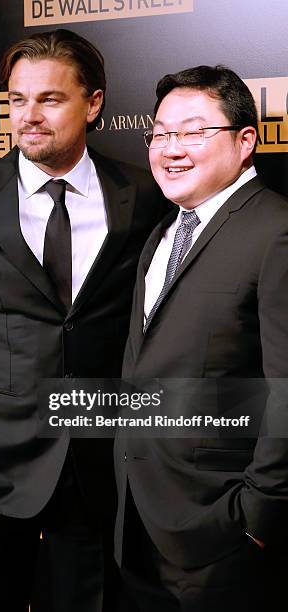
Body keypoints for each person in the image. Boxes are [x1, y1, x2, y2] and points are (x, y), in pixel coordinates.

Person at [0, 29, 166, 612]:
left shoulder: (143, 194)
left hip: (99, 461)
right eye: (17, 100)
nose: (29, 115)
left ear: (93, 103)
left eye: (49, 99)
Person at [115, 65, 288, 612]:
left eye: (193, 131)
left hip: (222, 536)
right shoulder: (166, 229)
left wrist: (257, 517)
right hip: (138, 524)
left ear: (245, 142)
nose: (172, 149)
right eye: (161, 134)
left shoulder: (276, 232)